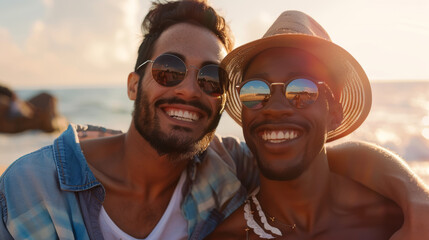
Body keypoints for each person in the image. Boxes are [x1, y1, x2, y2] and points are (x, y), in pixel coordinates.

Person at [0, 1, 427, 240]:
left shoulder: (224, 169)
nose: (188, 89)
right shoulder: (29, 187)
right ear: (133, 84)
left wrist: (415, 196)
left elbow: (320, 156)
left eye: (209, 78)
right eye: (169, 70)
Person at [207, 10, 428, 239]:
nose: (275, 107)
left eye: (301, 89)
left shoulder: (401, 222)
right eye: (257, 90)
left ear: (334, 114)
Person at [0, 84, 67, 133]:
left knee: (47, 97)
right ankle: (57, 123)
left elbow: (14, 97)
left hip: (19, 108)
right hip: (18, 114)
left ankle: (58, 121)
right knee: (47, 99)